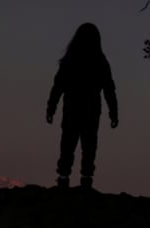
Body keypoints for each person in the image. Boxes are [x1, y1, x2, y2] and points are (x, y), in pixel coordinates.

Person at [46, 23, 118, 188]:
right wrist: (113, 112)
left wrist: (51, 108)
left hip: (73, 107)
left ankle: (64, 177)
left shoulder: (71, 60)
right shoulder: (100, 61)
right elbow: (109, 89)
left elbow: (58, 86)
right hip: (91, 110)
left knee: (69, 143)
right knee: (88, 144)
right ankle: (85, 179)